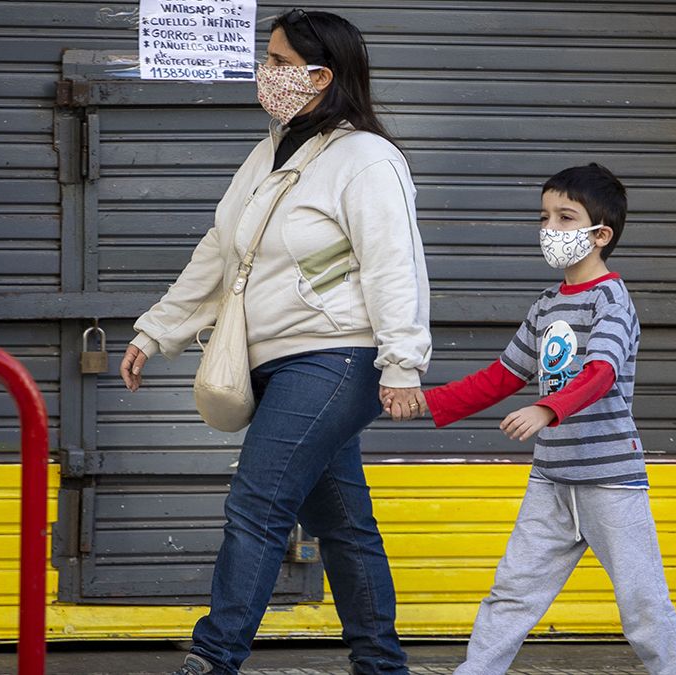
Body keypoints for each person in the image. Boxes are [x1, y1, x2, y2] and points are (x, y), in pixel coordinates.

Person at [119, 9, 431, 675]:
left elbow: (393, 263)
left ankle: (213, 656)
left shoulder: (366, 158)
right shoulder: (274, 149)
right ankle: (382, 664)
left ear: (320, 76)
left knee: (256, 504)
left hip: (337, 356)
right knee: (344, 524)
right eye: (269, 58)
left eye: (280, 61)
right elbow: (222, 249)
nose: (267, 73)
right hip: (280, 361)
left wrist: (403, 361)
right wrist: (159, 328)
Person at [405, 164, 676, 675]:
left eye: (566, 218)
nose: (551, 230)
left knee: (643, 605)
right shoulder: (546, 305)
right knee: (512, 593)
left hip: (611, 483)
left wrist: (547, 408)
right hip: (552, 481)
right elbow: (502, 375)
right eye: (545, 217)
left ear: (600, 234)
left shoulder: (612, 301)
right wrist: (428, 402)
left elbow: (602, 372)